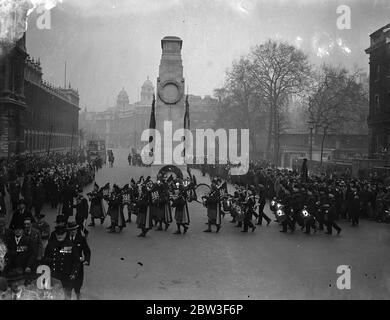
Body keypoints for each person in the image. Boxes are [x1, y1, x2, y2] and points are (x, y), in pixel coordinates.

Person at [43, 226, 80, 300]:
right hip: (54, 275)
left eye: (62, 234)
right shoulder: (51, 245)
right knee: (53, 296)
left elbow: (76, 261)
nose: (60, 236)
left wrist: (74, 273)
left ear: (66, 234)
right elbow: (45, 261)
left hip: (67, 275)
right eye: (58, 234)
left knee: (66, 296)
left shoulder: (70, 245)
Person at [67, 222, 91, 300]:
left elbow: (87, 251)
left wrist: (86, 260)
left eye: (74, 229)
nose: (73, 231)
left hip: (78, 266)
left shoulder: (81, 238)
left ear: (77, 230)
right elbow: (60, 250)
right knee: (68, 288)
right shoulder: (65, 238)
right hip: (68, 265)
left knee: (78, 287)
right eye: (71, 230)